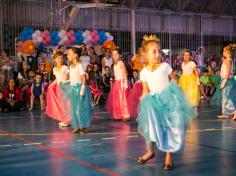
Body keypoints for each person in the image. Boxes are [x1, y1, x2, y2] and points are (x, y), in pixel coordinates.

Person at [137, 35, 196, 170]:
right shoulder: (144, 72)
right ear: (145, 55)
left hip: (168, 101)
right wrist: (143, 101)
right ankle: (150, 151)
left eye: (159, 51)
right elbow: (146, 90)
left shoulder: (165, 66)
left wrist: (173, 93)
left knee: (169, 128)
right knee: (150, 127)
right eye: (154, 52)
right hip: (153, 103)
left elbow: (174, 80)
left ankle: (168, 157)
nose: (158, 54)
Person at [60, 47, 93, 133]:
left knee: (80, 108)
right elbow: (72, 78)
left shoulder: (79, 65)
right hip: (73, 89)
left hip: (80, 88)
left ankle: (83, 126)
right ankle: (77, 126)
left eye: (69, 53)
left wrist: (82, 89)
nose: (67, 55)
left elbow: (84, 78)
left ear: (75, 55)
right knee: (74, 108)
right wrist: (65, 82)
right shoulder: (70, 66)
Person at [46, 51, 71, 127]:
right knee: (62, 104)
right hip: (59, 88)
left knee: (67, 104)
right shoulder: (54, 69)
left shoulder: (65, 67)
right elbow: (57, 79)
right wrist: (52, 84)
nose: (60, 59)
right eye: (58, 58)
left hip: (66, 87)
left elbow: (70, 77)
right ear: (54, 59)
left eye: (61, 58)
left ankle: (68, 120)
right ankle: (66, 119)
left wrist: (65, 83)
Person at [211, 44, 236, 120]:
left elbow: (228, 73)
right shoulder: (226, 60)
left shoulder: (228, 61)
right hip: (225, 80)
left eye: (224, 51)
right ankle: (225, 114)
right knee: (224, 98)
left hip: (227, 81)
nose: (223, 52)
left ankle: (234, 111)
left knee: (228, 97)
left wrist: (224, 82)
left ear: (229, 52)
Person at [106, 49, 130, 121]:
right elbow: (115, 74)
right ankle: (118, 114)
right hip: (116, 83)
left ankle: (125, 115)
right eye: (113, 55)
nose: (114, 56)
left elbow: (124, 74)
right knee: (117, 99)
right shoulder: (114, 65)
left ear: (120, 55)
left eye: (116, 54)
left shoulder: (121, 63)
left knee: (123, 99)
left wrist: (125, 83)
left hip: (121, 82)